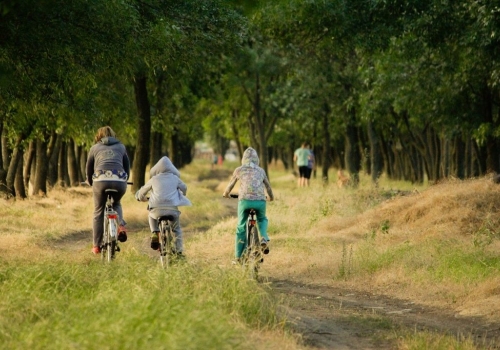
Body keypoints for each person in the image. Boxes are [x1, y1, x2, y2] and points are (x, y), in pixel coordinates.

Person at [222, 147, 274, 262]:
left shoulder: (239, 170)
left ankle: (238, 257)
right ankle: (264, 238)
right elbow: (268, 187)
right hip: (260, 201)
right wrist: (271, 197)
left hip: (244, 201)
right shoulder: (261, 171)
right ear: (257, 159)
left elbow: (230, 185)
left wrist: (226, 194)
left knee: (241, 226)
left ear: (243, 159)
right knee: (262, 219)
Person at [86, 126, 130, 255]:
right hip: (119, 180)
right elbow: (127, 167)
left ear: (99, 136)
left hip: (100, 180)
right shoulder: (121, 147)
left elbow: (89, 168)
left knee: (98, 211)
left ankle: (96, 246)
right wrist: (124, 180)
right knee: (116, 203)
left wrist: (90, 182)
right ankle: (120, 225)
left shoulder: (94, 148)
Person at [135, 156, 191, 256]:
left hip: (156, 210)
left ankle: (154, 233)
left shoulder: (154, 179)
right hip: (172, 209)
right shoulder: (175, 178)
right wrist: (182, 193)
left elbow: (141, 193)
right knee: (176, 229)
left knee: (151, 215)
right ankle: (179, 251)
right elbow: (184, 188)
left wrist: (140, 197)